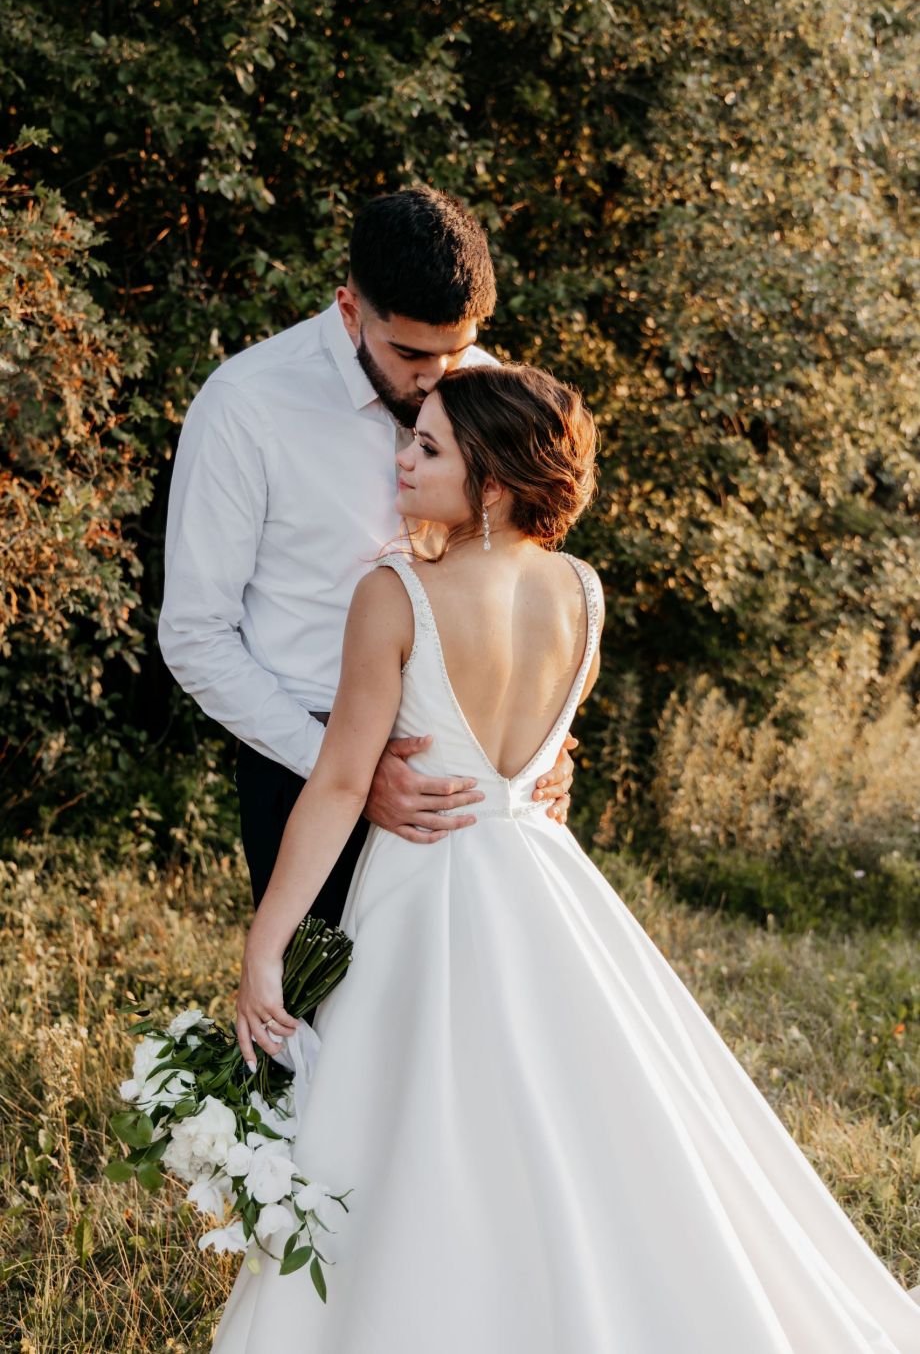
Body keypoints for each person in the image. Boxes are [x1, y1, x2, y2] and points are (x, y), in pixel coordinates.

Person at [212, 363, 920, 1353]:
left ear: (491, 482)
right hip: (543, 883)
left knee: (413, 1129)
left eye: (426, 448)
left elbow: (338, 785)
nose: (401, 462)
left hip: (426, 893)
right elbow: (542, 762)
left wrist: (266, 945)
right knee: (578, 1124)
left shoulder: (393, 594)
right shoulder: (581, 594)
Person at [158, 187, 576, 926]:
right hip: (305, 755)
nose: (440, 378)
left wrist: (546, 738)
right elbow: (195, 635)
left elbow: (528, 572)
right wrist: (338, 765)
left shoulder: (483, 386)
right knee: (317, 1024)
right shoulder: (246, 406)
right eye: (412, 353)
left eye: (459, 348)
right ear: (350, 309)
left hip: (473, 767)